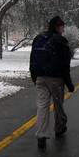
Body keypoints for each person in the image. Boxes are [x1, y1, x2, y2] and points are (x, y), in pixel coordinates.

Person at [30, 16, 75, 150]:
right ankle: (59, 128)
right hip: (56, 79)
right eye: (62, 26)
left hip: (40, 78)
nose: (64, 29)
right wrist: (69, 84)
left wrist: (34, 76)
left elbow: (32, 59)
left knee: (42, 106)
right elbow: (65, 65)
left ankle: (41, 135)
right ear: (57, 27)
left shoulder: (38, 38)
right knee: (58, 104)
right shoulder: (61, 41)